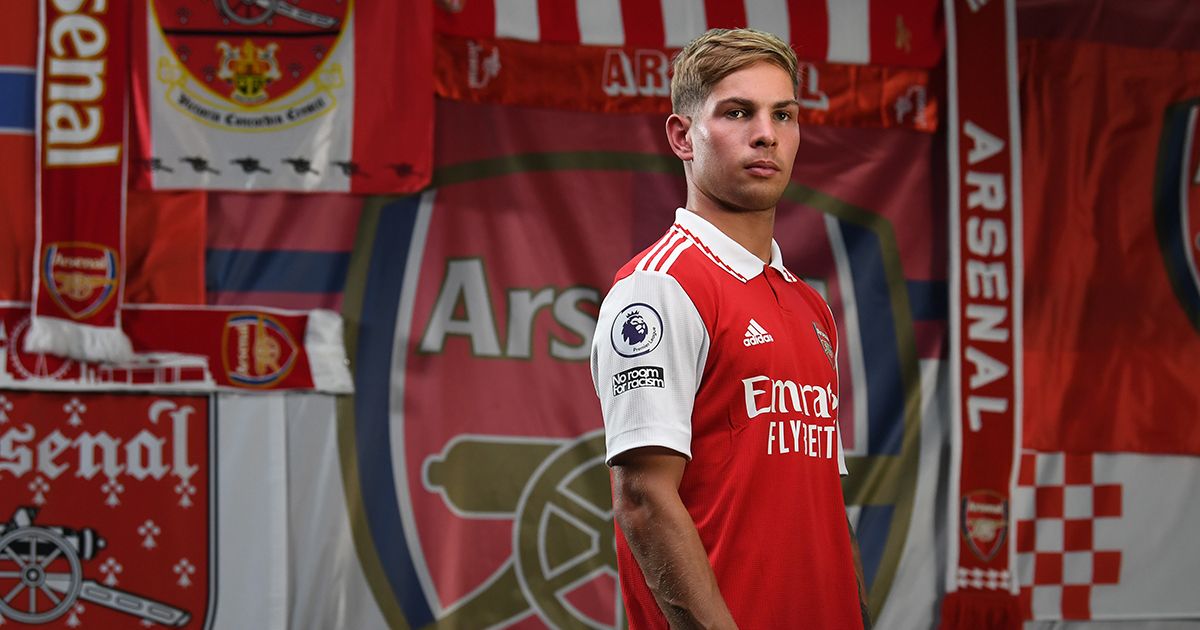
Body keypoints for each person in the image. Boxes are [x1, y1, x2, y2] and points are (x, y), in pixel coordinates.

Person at [590, 28, 871, 629]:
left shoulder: (808, 305)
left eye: (784, 114)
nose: (766, 133)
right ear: (682, 136)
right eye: (737, 112)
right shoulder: (660, 288)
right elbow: (642, 500)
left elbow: (822, 502)